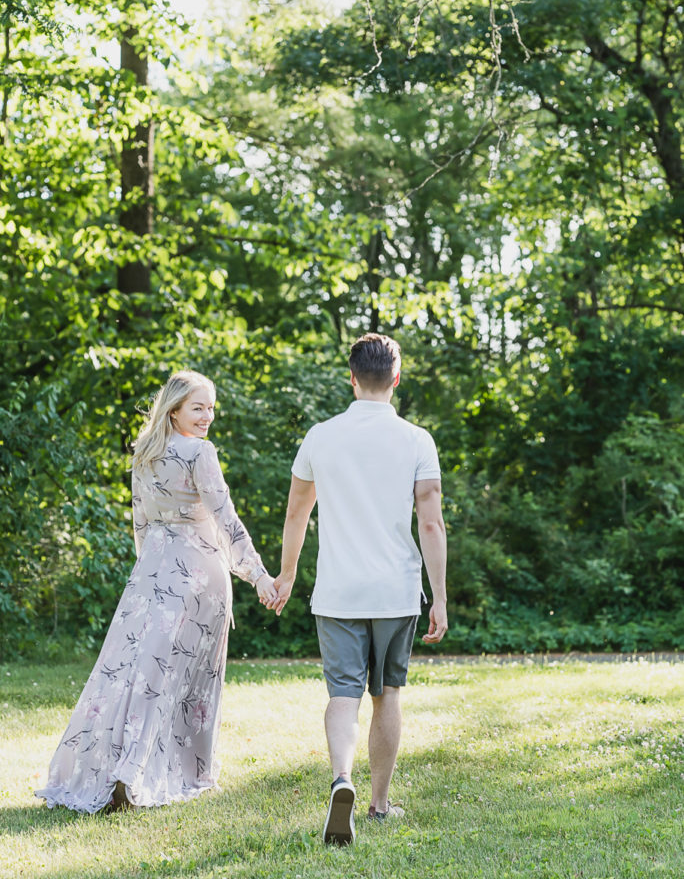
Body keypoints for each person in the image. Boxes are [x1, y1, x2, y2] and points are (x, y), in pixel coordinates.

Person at [36, 370, 276, 814]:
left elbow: (141, 525)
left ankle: (121, 770)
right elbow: (226, 520)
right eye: (197, 408)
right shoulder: (199, 452)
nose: (206, 417)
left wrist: (150, 570)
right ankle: (173, 772)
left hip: (151, 574)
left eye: (210, 409)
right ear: (174, 409)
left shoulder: (143, 454)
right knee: (187, 681)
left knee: (132, 672)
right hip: (198, 574)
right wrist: (259, 576)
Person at [269, 333, 448, 845]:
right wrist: (439, 596)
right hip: (395, 592)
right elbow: (431, 525)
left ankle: (341, 778)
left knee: (342, 695)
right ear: (396, 378)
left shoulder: (320, 436)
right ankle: (379, 803)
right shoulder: (417, 439)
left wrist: (286, 575)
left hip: (338, 592)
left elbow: (297, 511)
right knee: (387, 694)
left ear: (351, 378)